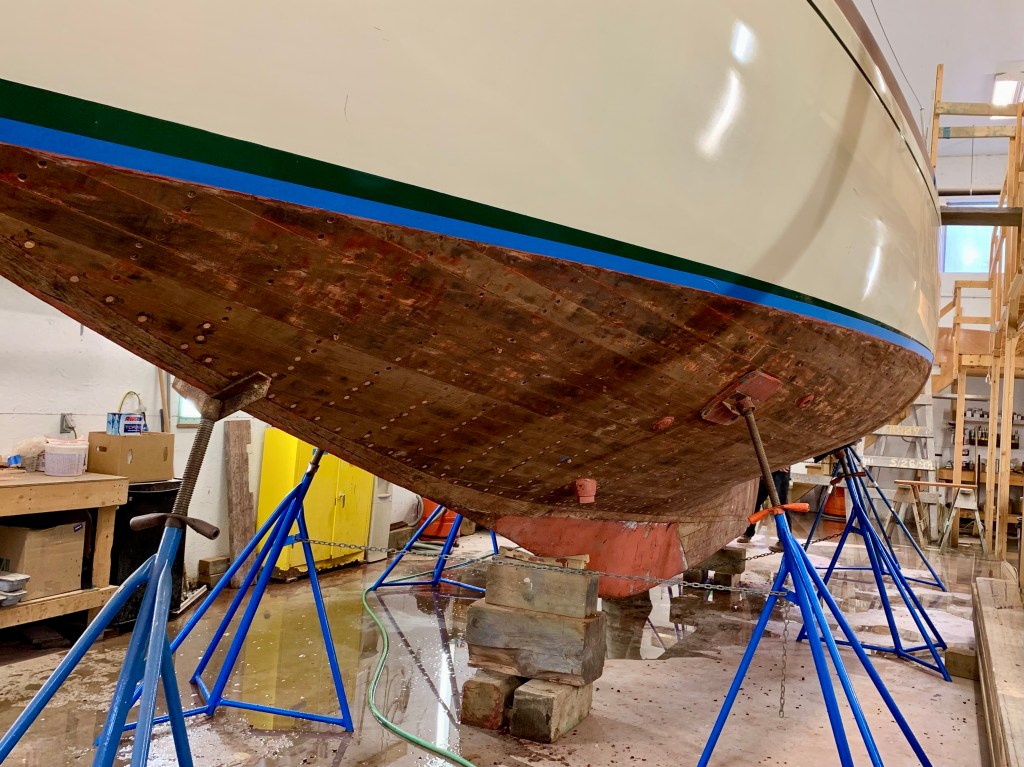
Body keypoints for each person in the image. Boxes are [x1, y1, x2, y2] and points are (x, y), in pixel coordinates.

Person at [737, 467, 790, 552]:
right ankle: (748, 532)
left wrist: (784, 462)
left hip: (781, 471)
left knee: (780, 505)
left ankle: (784, 541)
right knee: (755, 500)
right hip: (767, 467)